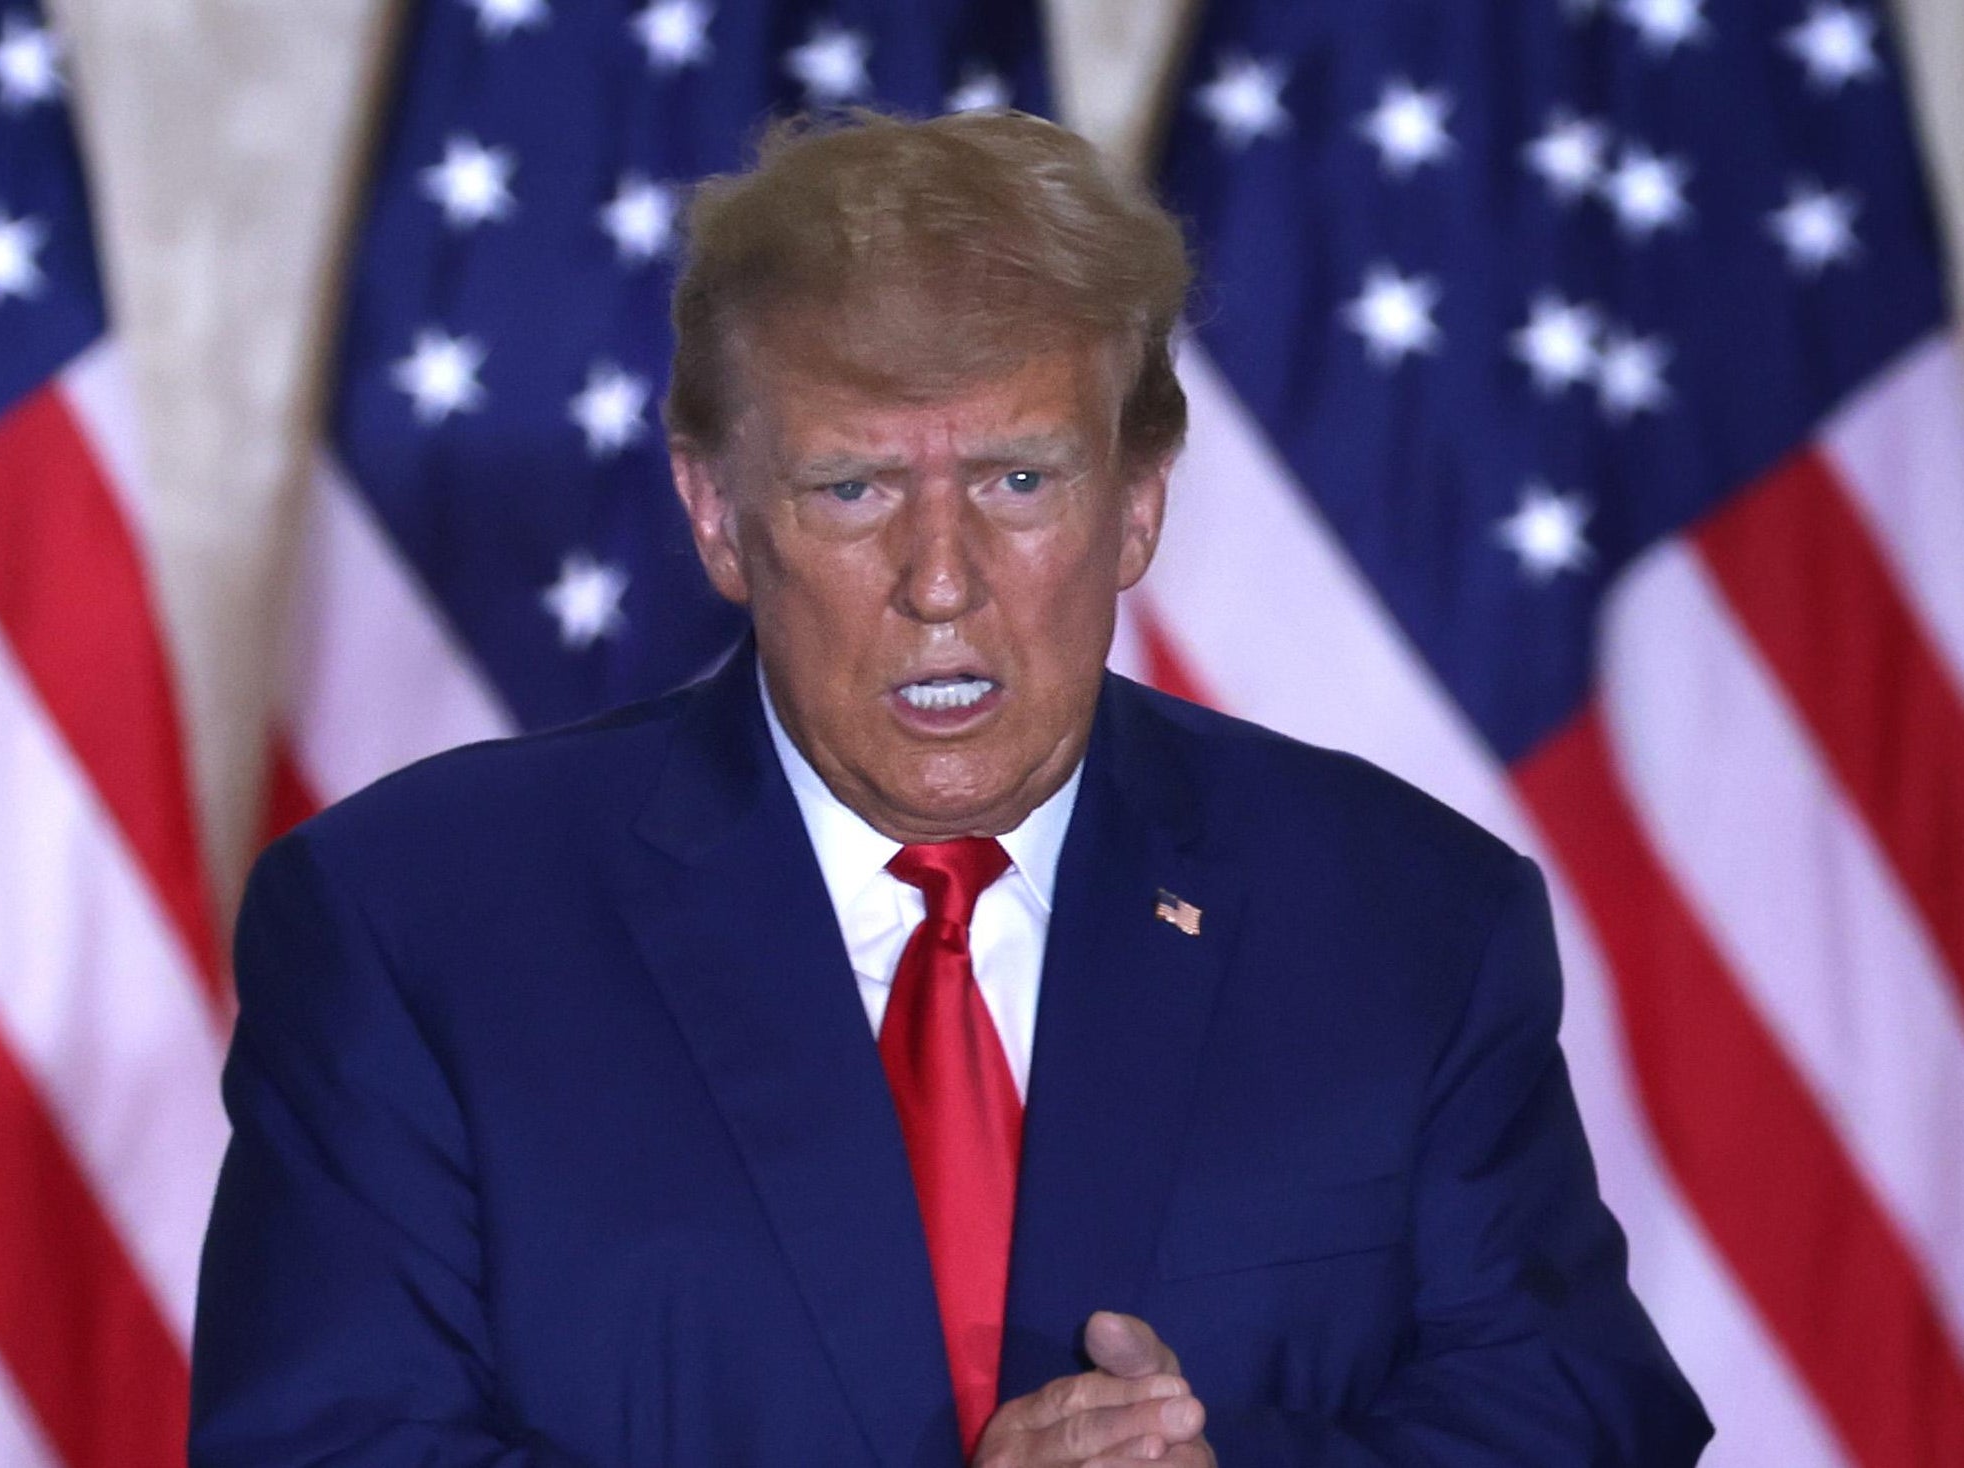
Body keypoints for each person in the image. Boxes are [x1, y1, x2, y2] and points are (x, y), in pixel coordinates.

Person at [190, 110, 1710, 1467]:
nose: (940, 581)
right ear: (717, 517)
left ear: (1135, 504)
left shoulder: (1401, 914)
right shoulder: (420, 924)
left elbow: (1575, 1412)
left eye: (1017, 480)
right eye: (851, 488)